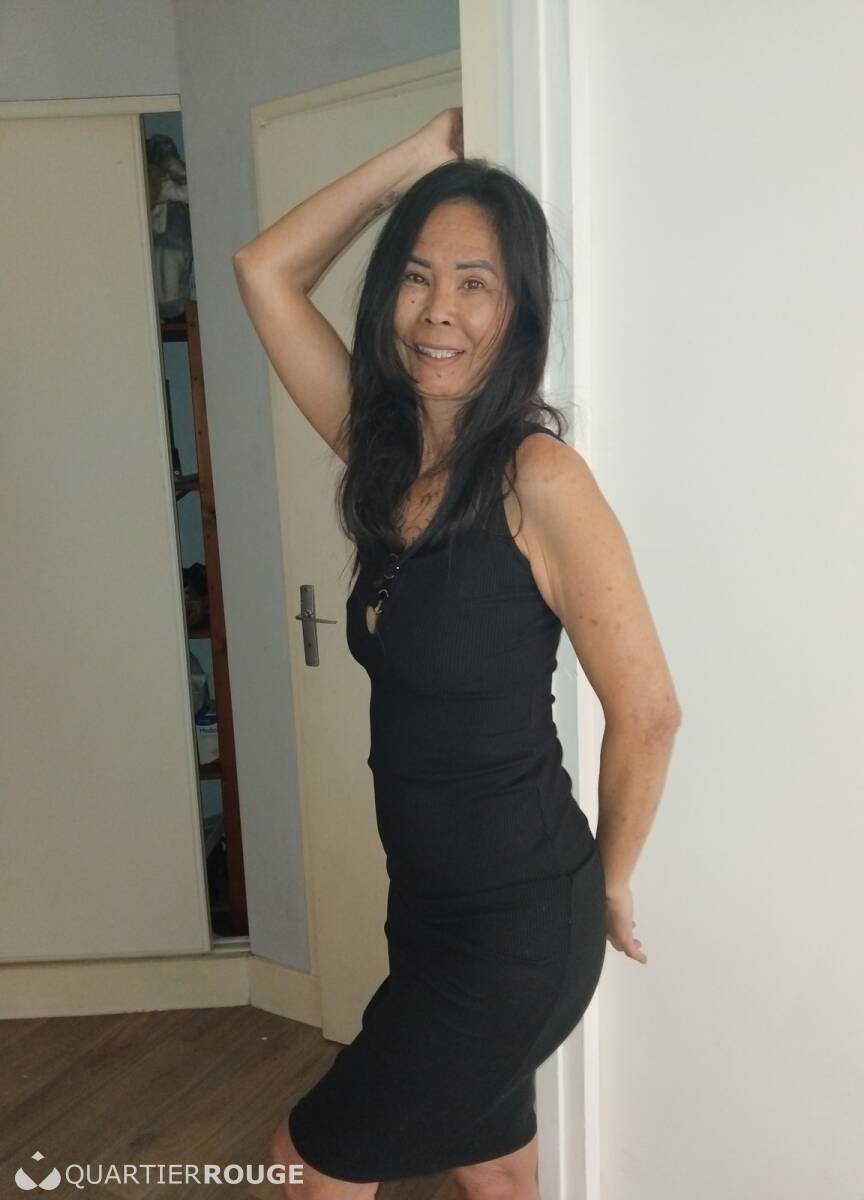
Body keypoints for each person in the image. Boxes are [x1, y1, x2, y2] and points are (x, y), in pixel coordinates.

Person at [233, 107, 681, 1200]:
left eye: (475, 283)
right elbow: (264, 272)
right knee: (497, 1170)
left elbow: (649, 711)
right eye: (417, 276)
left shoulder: (539, 480)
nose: (440, 309)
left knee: (305, 1162)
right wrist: (412, 165)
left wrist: (609, 880)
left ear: (516, 309)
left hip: (518, 924)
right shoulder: (384, 456)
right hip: (431, 910)